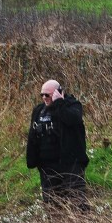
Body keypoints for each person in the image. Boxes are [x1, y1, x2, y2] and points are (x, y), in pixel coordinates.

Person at [26, 79, 90, 209]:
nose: (44, 98)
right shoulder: (39, 110)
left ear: (58, 93)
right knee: (52, 204)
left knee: (77, 203)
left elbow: (72, 119)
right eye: (42, 95)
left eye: (48, 95)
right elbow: (32, 135)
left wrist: (59, 103)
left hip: (70, 165)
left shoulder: (72, 105)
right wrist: (32, 160)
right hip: (47, 167)